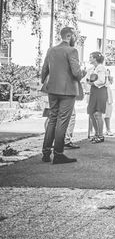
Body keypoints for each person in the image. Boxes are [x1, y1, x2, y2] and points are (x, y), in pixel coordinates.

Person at [40, 26, 86, 165]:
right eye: (74, 36)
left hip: (52, 90)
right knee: (62, 121)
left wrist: (44, 80)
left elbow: (44, 69)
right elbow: (76, 73)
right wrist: (83, 72)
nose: (75, 39)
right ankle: (58, 154)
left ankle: (46, 152)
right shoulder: (72, 50)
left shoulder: (51, 50)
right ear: (70, 36)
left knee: (52, 119)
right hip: (67, 91)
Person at [85, 51, 108, 144]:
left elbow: (102, 80)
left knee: (98, 114)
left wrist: (92, 82)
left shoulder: (101, 67)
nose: (89, 59)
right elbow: (86, 78)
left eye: (91, 57)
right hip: (93, 91)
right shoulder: (92, 68)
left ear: (95, 58)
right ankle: (96, 133)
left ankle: (100, 135)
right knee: (91, 112)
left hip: (100, 91)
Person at [103, 68, 114, 136]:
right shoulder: (101, 78)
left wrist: (107, 76)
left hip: (108, 97)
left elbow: (109, 83)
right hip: (102, 96)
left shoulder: (109, 78)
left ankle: (108, 129)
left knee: (108, 114)